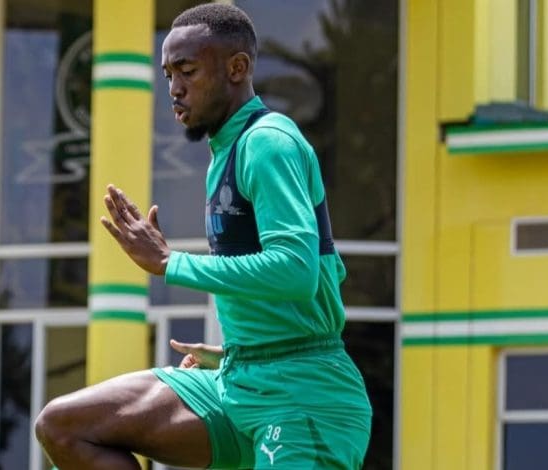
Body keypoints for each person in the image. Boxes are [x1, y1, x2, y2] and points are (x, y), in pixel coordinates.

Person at [35, 4, 372, 469]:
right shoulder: (224, 153)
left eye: (187, 71)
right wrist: (236, 350)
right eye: (168, 73)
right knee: (65, 425)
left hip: (304, 394)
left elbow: (298, 270)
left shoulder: (268, 143)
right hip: (238, 377)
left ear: (237, 68)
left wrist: (171, 263)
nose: (174, 89)